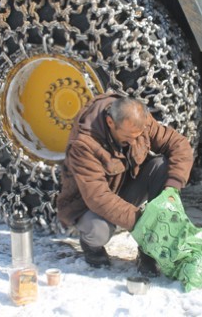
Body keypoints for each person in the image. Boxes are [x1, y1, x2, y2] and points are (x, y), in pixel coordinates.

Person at [56, 93, 194, 276]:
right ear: (110, 122)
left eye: (138, 135)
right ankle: (91, 246)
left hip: (125, 185)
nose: (134, 140)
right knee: (98, 231)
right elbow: (98, 197)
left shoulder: (138, 120)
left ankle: (149, 250)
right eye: (128, 136)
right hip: (90, 203)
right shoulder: (84, 144)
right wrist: (144, 222)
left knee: (162, 167)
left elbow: (178, 144)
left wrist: (172, 188)